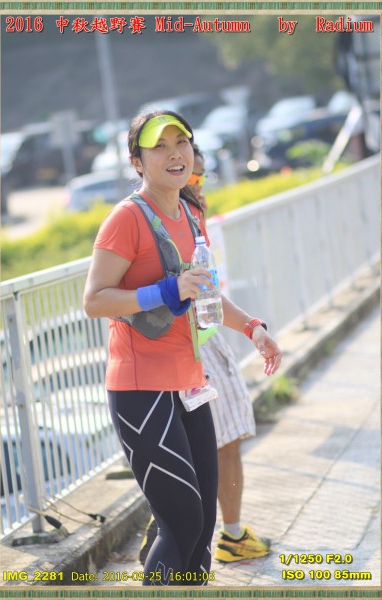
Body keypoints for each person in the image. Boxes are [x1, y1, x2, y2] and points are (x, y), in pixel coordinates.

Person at [84, 110, 282, 586]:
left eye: (182, 142)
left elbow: (205, 292)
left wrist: (252, 327)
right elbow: (94, 300)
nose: (175, 153)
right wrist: (165, 292)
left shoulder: (191, 216)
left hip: (189, 382)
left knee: (202, 526)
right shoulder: (126, 218)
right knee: (182, 520)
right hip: (140, 388)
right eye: (160, 146)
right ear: (137, 161)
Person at [139, 145, 272, 567]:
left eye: (199, 175)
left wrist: (251, 326)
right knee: (225, 437)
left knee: (207, 442)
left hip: (195, 337)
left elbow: (207, 289)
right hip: (192, 342)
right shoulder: (160, 216)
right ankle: (228, 534)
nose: (195, 183)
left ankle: (180, 528)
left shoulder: (182, 214)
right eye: (189, 175)